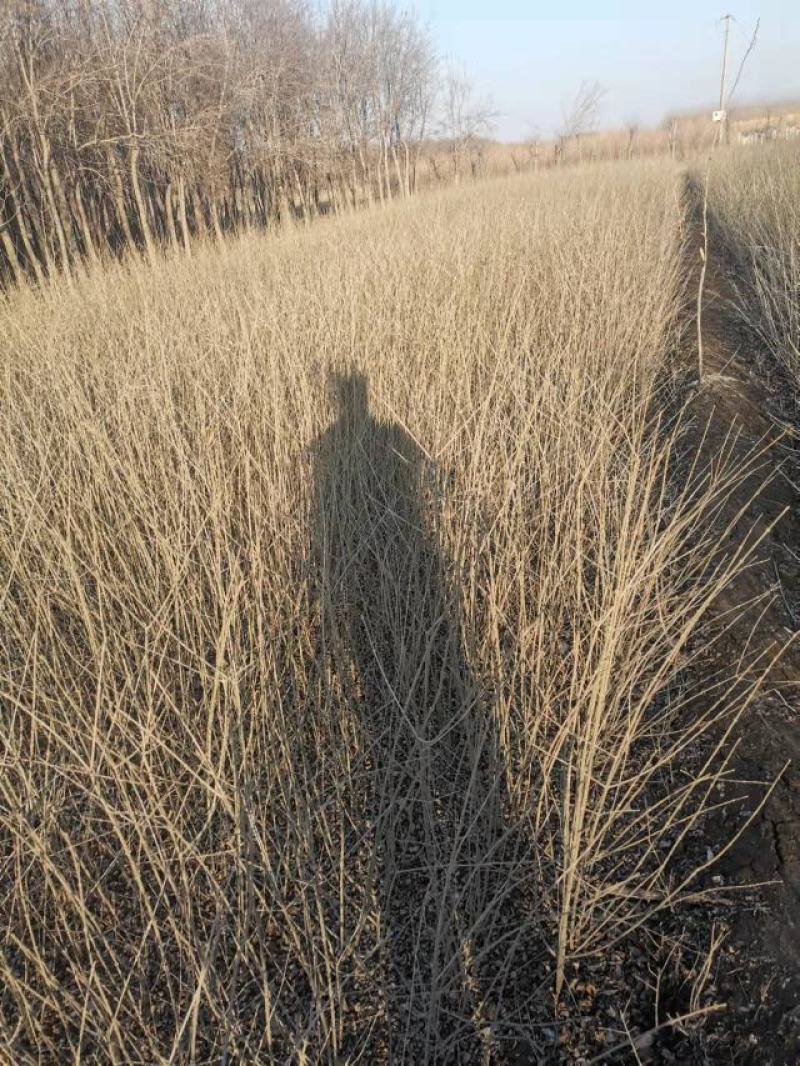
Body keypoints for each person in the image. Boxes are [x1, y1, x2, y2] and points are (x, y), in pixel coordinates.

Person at [310, 371, 537, 1062]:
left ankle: (449, 980)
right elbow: (432, 485)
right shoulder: (363, 446)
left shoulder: (337, 449)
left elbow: (341, 531)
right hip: (400, 603)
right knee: (421, 730)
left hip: (390, 609)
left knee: (413, 735)